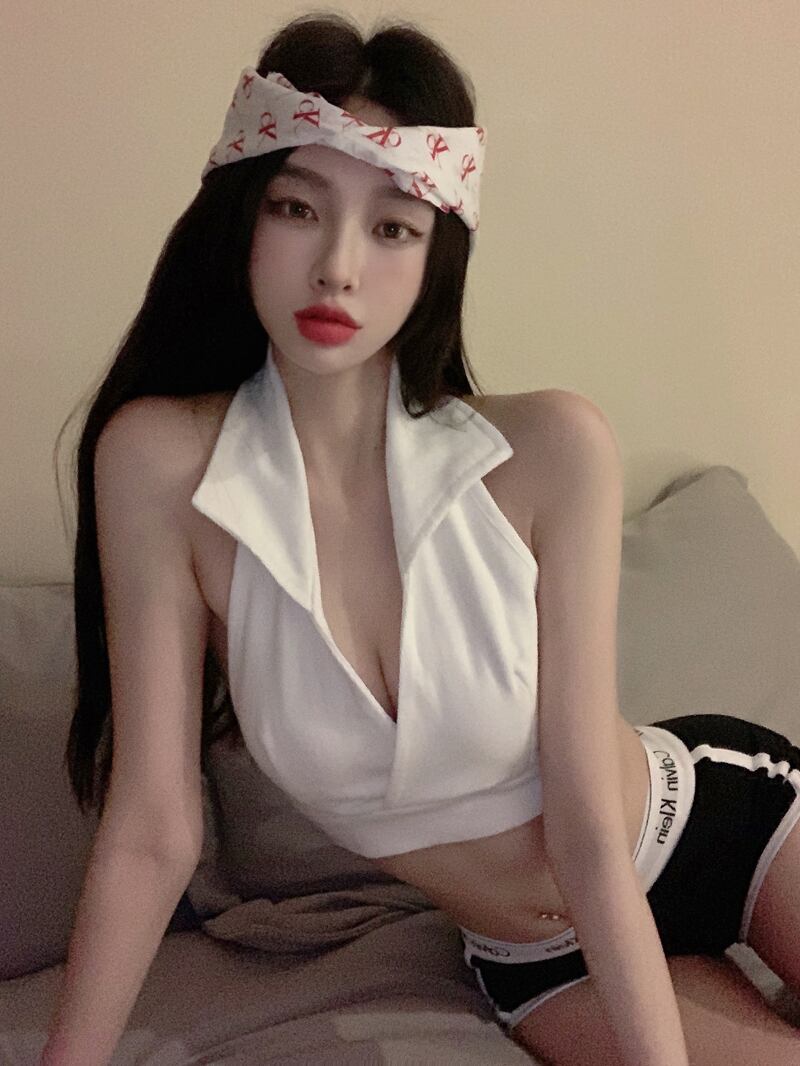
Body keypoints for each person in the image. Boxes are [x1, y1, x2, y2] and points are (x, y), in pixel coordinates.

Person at [45, 11, 800, 1066]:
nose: (338, 268)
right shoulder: (158, 466)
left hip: (716, 823)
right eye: (297, 208)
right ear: (242, 218)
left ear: (436, 252)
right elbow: (153, 829)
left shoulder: (551, 448)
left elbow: (586, 824)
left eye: (393, 226)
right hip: (534, 955)